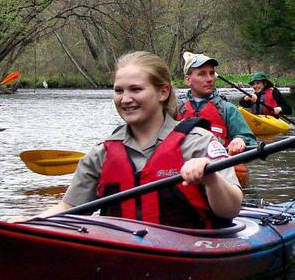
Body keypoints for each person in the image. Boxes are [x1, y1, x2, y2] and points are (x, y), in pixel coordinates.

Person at [14, 51, 243, 229]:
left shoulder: (199, 143)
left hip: (189, 250)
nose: (125, 99)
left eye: (136, 89)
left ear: (163, 92)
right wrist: (29, 223)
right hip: (125, 251)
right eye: (118, 90)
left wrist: (210, 178)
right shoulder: (102, 153)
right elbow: (68, 207)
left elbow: (231, 209)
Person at [176, 51, 257, 155]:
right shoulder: (174, 109)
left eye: (211, 73)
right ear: (188, 80)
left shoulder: (228, 109)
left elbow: (250, 141)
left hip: (219, 168)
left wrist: (240, 140)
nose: (209, 79)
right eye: (202, 74)